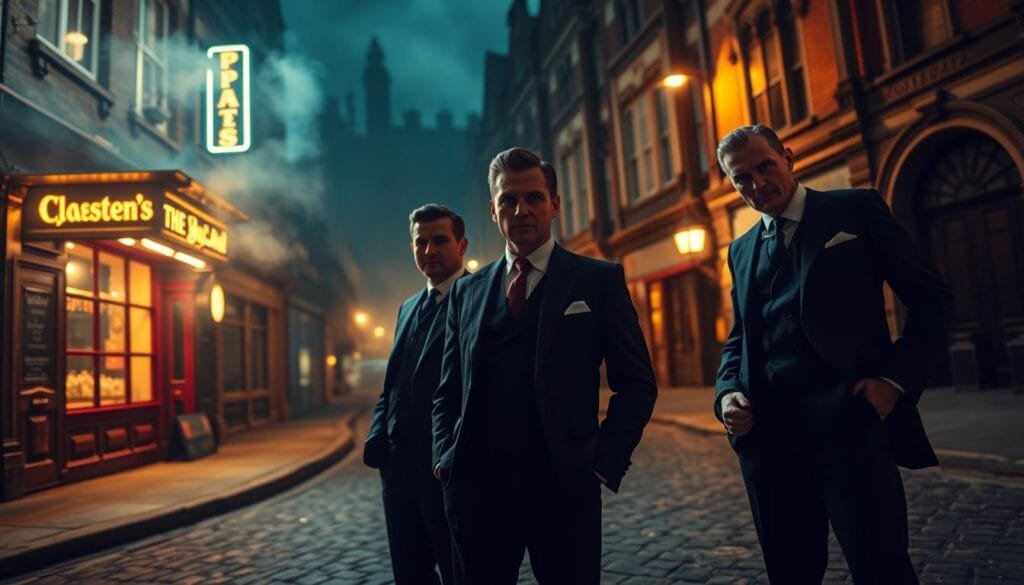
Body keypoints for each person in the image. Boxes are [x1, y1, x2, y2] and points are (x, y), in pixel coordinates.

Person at [714, 125, 954, 584]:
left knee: (882, 569)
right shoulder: (740, 250)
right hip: (768, 444)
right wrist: (728, 395)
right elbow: (739, 340)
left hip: (851, 429)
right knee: (791, 573)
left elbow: (932, 299)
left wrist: (894, 382)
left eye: (765, 166)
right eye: (740, 177)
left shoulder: (854, 209)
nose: (756, 183)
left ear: (788, 158)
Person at [431, 147, 657, 585]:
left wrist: (602, 462)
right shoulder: (467, 291)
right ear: (493, 210)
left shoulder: (597, 279)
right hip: (479, 491)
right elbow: (449, 387)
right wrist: (446, 458)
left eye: (534, 198)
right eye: (509, 200)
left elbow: (637, 384)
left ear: (555, 204)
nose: (522, 210)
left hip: (564, 487)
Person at [364, 204, 468, 585]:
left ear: (462, 245)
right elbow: (392, 383)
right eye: (420, 243)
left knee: (460, 569)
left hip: (446, 468)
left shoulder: (477, 298)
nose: (429, 251)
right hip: (398, 469)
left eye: (440, 241)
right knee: (410, 573)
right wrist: (378, 435)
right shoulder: (408, 307)